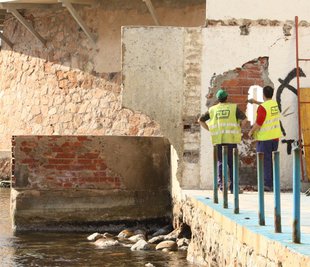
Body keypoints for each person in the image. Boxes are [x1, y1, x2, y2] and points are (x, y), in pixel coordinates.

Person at [198, 89, 247, 193]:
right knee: (232, 163)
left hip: (218, 140)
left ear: (218, 99)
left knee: (220, 162)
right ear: (226, 98)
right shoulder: (233, 108)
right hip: (231, 139)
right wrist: (239, 127)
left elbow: (200, 120)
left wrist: (210, 129)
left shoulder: (212, 109)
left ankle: (221, 187)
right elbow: (244, 120)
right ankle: (234, 188)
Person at [248, 86, 282, 191]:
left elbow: (258, 124)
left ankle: (267, 185)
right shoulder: (274, 104)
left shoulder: (262, 108)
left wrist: (251, 132)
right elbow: (266, 106)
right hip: (275, 137)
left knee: (264, 162)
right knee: (271, 161)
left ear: (263, 94)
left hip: (265, 139)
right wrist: (256, 102)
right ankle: (272, 184)